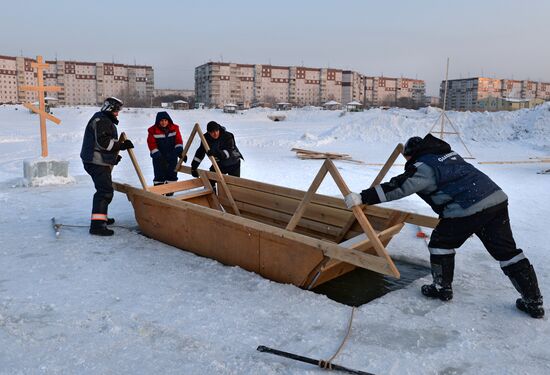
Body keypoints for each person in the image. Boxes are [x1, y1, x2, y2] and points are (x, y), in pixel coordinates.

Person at [344, 134, 544, 318]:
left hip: (467, 207)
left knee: (440, 244)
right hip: (495, 199)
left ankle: (441, 288)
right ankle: (533, 301)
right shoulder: (448, 154)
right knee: (508, 252)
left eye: (407, 159)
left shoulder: (423, 167)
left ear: (410, 155)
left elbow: (400, 187)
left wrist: (362, 197)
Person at [80, 97, 134, 236]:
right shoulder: (102, 120)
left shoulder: (103, 119)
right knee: (105, 191)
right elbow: (104, 143)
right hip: (96, 162)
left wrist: (113, 158)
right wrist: (121, 146)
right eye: (116, 111)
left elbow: (103, 145)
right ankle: (97, 225)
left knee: (104, 190)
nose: (117, 114)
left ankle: (101, 217)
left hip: (97, 161)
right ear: (109, 109)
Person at [190, 121, 243, 187]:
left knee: (235, 185)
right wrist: (194, 167)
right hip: (220, 164)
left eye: (216, 131)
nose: (215, 134)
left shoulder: (228, 136)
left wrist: (216, 153)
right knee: (210, 182)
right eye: (212, 132)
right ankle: (212, 196)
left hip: (233, 163)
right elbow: (200, 152)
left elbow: (228, 153)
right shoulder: (206, 138)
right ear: (209, 132)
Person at [147, 111, 186, 191]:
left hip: (172, 156)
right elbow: (151, 144)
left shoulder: (175, 128)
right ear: (158, 121)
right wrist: (158, 156)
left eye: (165, 120)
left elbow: (178, 141)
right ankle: (159, 193)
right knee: (159, 175)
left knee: (172, 174)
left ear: (168, 121)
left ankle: (170, 193)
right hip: (159, 157)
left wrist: (179, 151)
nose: (164, 122)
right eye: (161, 121)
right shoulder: (152, 130)